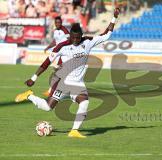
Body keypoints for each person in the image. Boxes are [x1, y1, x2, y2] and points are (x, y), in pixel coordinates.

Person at [15, 8, 120, 138]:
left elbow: (106, 35)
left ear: (81, 35)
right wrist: (33, 78)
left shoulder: (87, 42)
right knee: (48, 107)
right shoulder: (62, 47)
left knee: (84, 102)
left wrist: (114, 18)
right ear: (70, 35)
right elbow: (47, 62)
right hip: (64, 83)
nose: (75, 40)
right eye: (73, 37)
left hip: (78, 84)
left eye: (78, 37)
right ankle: (29, 96)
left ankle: (74, 131)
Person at [43, 16, 70, 96]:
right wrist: (48, 47)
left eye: (59, 22)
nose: (58, 24)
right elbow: (55, 42)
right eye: (56, 22)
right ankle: (54, 90)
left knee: (58, 73)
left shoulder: (64, 30)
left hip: (64, 53)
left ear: (61, 23)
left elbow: (70, 40)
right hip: (58, 53)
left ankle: (51, 91)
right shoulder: (55, 31)